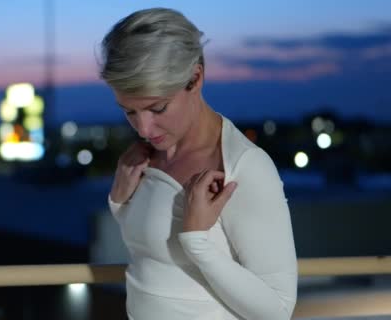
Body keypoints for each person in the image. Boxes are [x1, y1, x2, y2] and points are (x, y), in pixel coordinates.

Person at [100, 8, 298, 320]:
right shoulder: (147, 156)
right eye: (130, 112)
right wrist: (120, 202)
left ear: (195, 78)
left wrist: (197, 242)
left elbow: (277, 310)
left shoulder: (243, 167)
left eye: (158, 108)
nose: (143, 129)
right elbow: (151, 254)